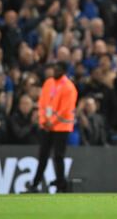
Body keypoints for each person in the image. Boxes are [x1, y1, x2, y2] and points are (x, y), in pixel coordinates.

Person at [26, 61, 78, 193]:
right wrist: (44, 121)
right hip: (47, 126)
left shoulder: (69, 87)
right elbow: (42, 103)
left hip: (62, 127)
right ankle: (37, 184)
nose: (55, 72)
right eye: (54, 69)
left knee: (58, 156)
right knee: (43, 155)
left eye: (58, 70)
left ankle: (61, 184)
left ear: (64, 71)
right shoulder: (48, 83)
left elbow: (66, 109)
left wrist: (51, 122)